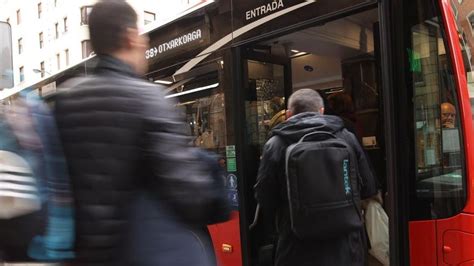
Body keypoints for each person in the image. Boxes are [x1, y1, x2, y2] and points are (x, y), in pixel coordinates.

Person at [54, 1, 218, 265]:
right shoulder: (149, 98)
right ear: (130, 37)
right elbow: (191, 195)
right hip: (144, 253)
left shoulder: (66, 101)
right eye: (142, 34)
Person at [254, 88, 378, 266]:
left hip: (296, 247)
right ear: (321, 111)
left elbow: (264, 197)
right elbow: (368, 187)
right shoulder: (346, 137)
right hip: (346, 245)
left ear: (288, 114)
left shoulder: (275, 144)